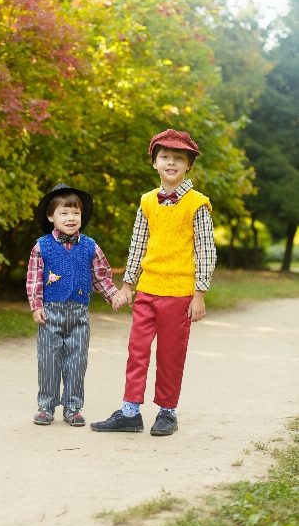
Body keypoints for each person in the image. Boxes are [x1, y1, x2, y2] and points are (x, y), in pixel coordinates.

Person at [90, 129, 217, 436]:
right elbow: (138, 246)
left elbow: (205, 251)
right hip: (148, 289)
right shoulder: (147, 201)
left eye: (178, 158)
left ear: (188, 165)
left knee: (171, 353)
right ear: (154, 163)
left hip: (179, 293)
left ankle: (167, 412)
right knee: (137, 350)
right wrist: (128, 286)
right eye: (164, 157)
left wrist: (199, 294)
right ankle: (130, 412)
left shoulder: (197, 204)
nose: (170, 163)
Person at [27, 182, 121, 427]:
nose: (71, 218)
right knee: (48, 360)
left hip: (79, 314)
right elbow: (34, 277)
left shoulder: (90, 246)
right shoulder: (42, 246)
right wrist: (36, 305)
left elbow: (101, 276)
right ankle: (46, 406)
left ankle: (73, 407)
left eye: (76, 213)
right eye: (64, 213)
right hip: (50, 312)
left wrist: (114, 296)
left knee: (77, 361)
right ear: (51, 217)